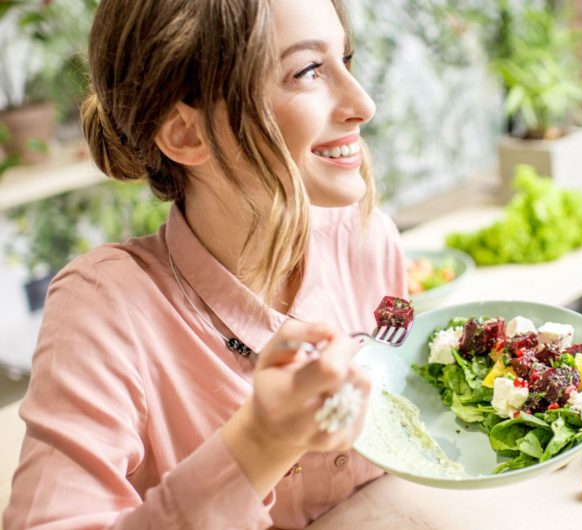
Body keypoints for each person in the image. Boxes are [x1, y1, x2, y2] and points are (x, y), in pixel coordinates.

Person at [3, 0, 407, 527]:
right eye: (308, 70)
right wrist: (259, 444)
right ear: (186, 134)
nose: (363, 103)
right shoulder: (104, 310)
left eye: (345, 60)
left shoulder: (367, 238)